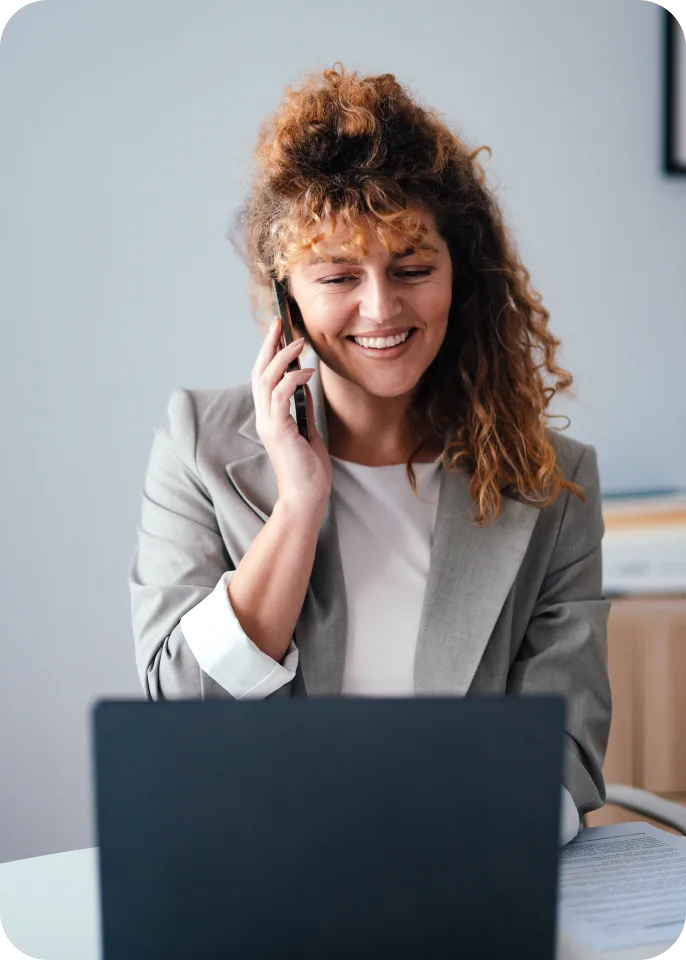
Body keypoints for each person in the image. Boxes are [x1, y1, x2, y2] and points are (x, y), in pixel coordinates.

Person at [129, 63, 611, 845]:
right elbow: (180, 713)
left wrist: (462, 844)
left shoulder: (552, 482)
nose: (382, 309)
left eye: (413, 269)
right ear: (287, 294)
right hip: (258, 872)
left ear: (462, 274)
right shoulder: (198, 445)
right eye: (339, 275)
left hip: (463, 871)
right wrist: (299, 504)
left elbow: (566, 749)